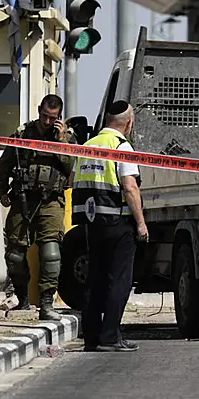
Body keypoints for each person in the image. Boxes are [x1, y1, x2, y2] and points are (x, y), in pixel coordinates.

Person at [71, 100, 148, 352]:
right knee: (119, 281)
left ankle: (91, 337)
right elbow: (130, 187)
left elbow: (74, 180)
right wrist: (141, 223)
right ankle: (111, 337)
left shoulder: (88, 145)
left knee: (95, 279)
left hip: (91, 223)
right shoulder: (121, 146)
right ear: (128, 123)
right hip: (118, 221)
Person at [0, 94, 77, 320]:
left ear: (59, 117)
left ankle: (47, 302)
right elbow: (5, 163)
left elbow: (72, 167)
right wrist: (2, 191)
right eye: (44, 116)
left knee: (50, 252)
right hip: (23, 198)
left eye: (53, 118)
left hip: (51, 200)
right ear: (39, 110)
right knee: (14, 254)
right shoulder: (22, 133)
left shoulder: (67, 138)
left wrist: (61, 142)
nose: (47, 122)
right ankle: (22, 300)